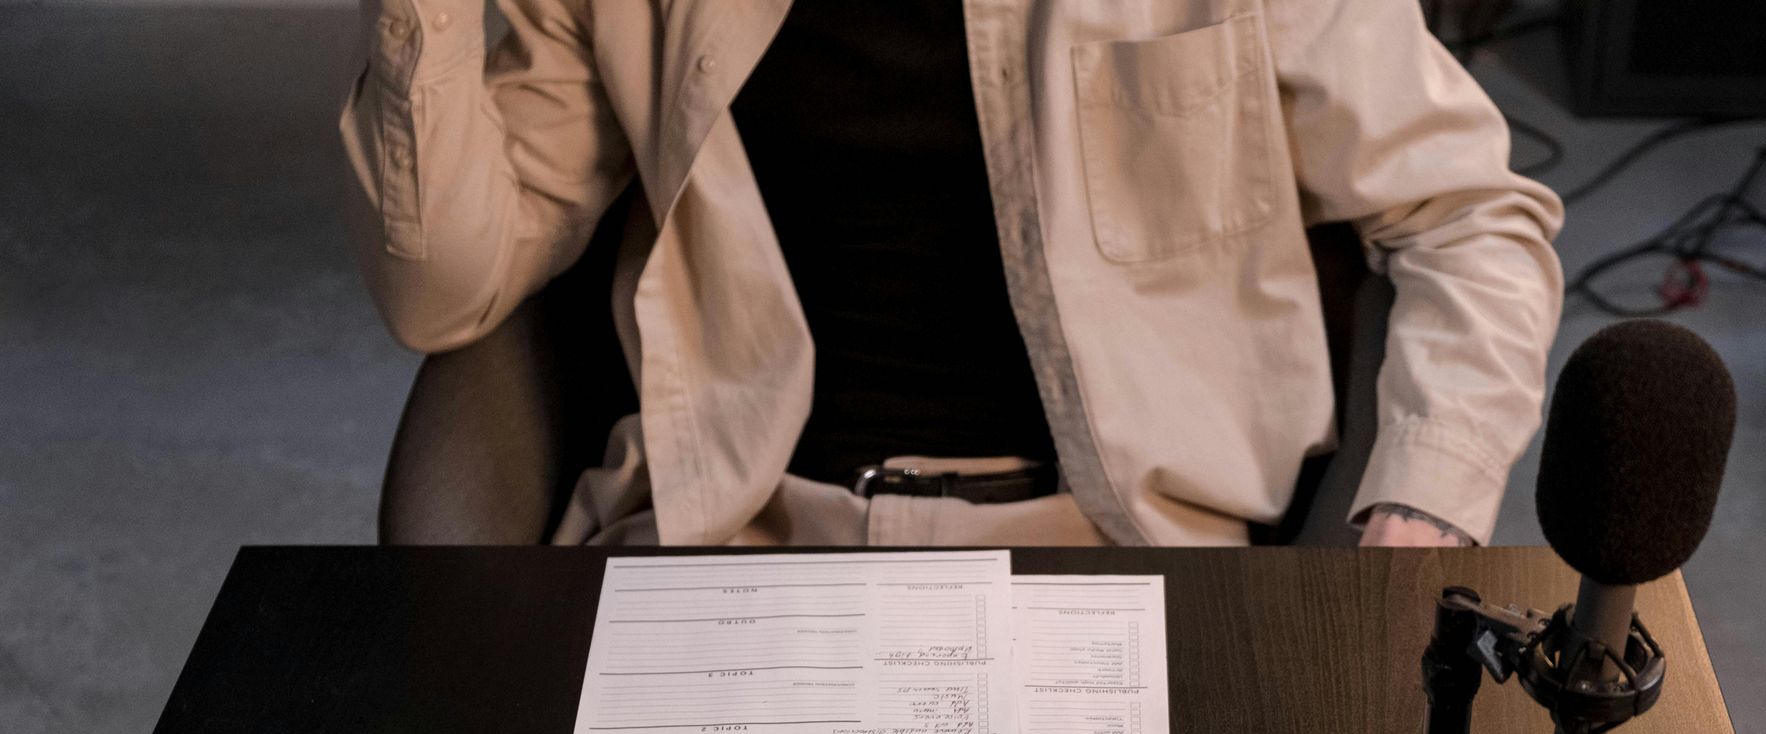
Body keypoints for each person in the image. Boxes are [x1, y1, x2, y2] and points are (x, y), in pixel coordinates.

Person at [340, 0, 1562, 549]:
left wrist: (1418, 509)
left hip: (1116, 547)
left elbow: (1467, 215)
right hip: (741, 530)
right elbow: (447, 289)